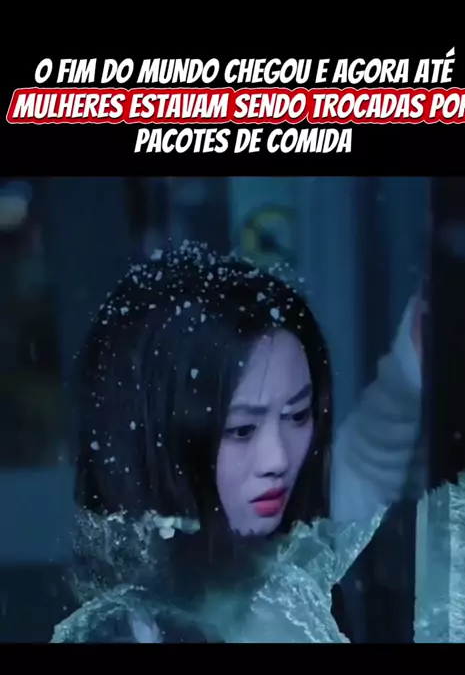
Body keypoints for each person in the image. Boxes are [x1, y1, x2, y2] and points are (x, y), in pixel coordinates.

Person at [51, 243, 384, 643]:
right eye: (242, 429)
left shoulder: (298, 580)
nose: (277, 459)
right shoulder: (123, 628)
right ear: (163, 440)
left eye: (297, 415)